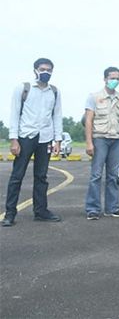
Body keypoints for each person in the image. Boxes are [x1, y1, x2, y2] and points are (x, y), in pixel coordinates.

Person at [2, 58, 63, 227]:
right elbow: (14, 114)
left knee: (41, 176)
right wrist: (14, 140)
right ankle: (10, 213)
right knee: (17, 176)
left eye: (49, 70)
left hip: (45, 138)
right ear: (35, 70)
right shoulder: (23, 88)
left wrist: (58, 139)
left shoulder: (55, 92)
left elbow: (57, 116)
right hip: (25, 137)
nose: (46, 72)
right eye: (42, 69)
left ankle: (41, 211)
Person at [84, 66, 119, 220]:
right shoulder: (94, 96)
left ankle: (112, 208)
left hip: (116, 139)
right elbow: (89, 120)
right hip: (100, 138)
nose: (115, 81)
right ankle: (93, 209)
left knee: (112, 176)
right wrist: (89, 143)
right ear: (105, 79)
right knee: (96, 175)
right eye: (112, 78)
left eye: (117, 78)